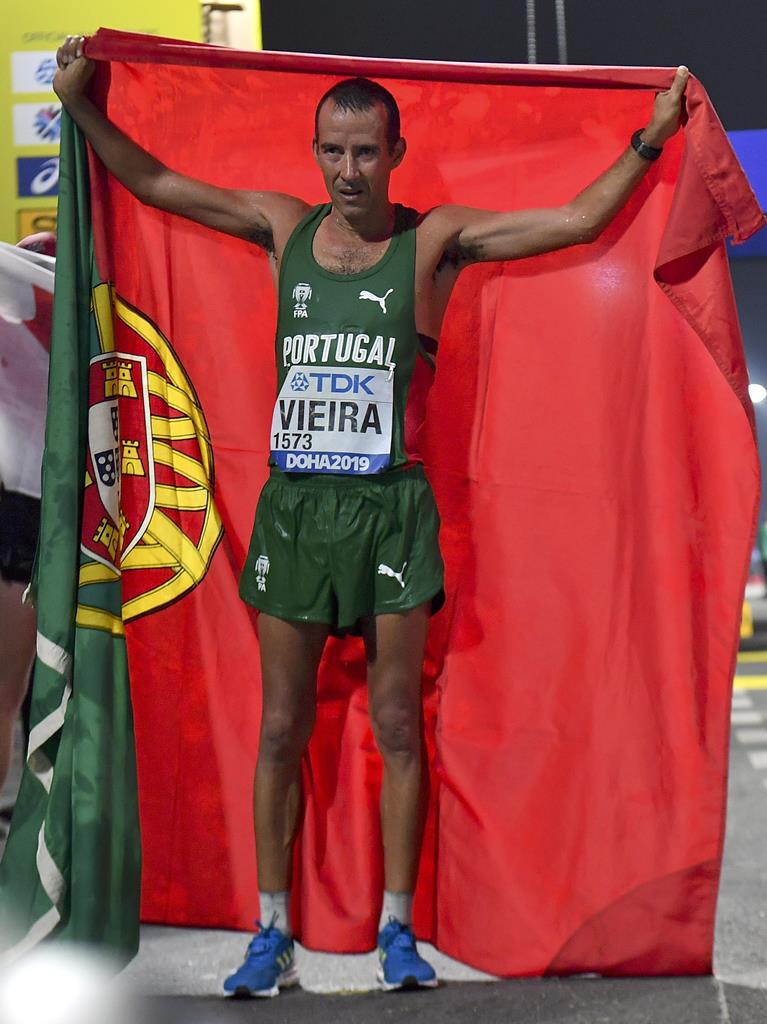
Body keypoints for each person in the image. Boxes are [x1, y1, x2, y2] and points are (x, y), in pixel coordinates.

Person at [53, 36, 688, 996]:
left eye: (365, 152)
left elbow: (572, 221)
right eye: (332, 151)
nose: (348, 171)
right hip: (298, 508)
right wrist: (81, 106)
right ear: (315, 154)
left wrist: (647, 143)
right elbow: (155, 184)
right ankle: (271, 934)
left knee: (395, 720)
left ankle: (397, 931)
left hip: (391, 509)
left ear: (395, 153)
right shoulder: (281, 225)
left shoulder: (433, 242)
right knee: (278, 728)